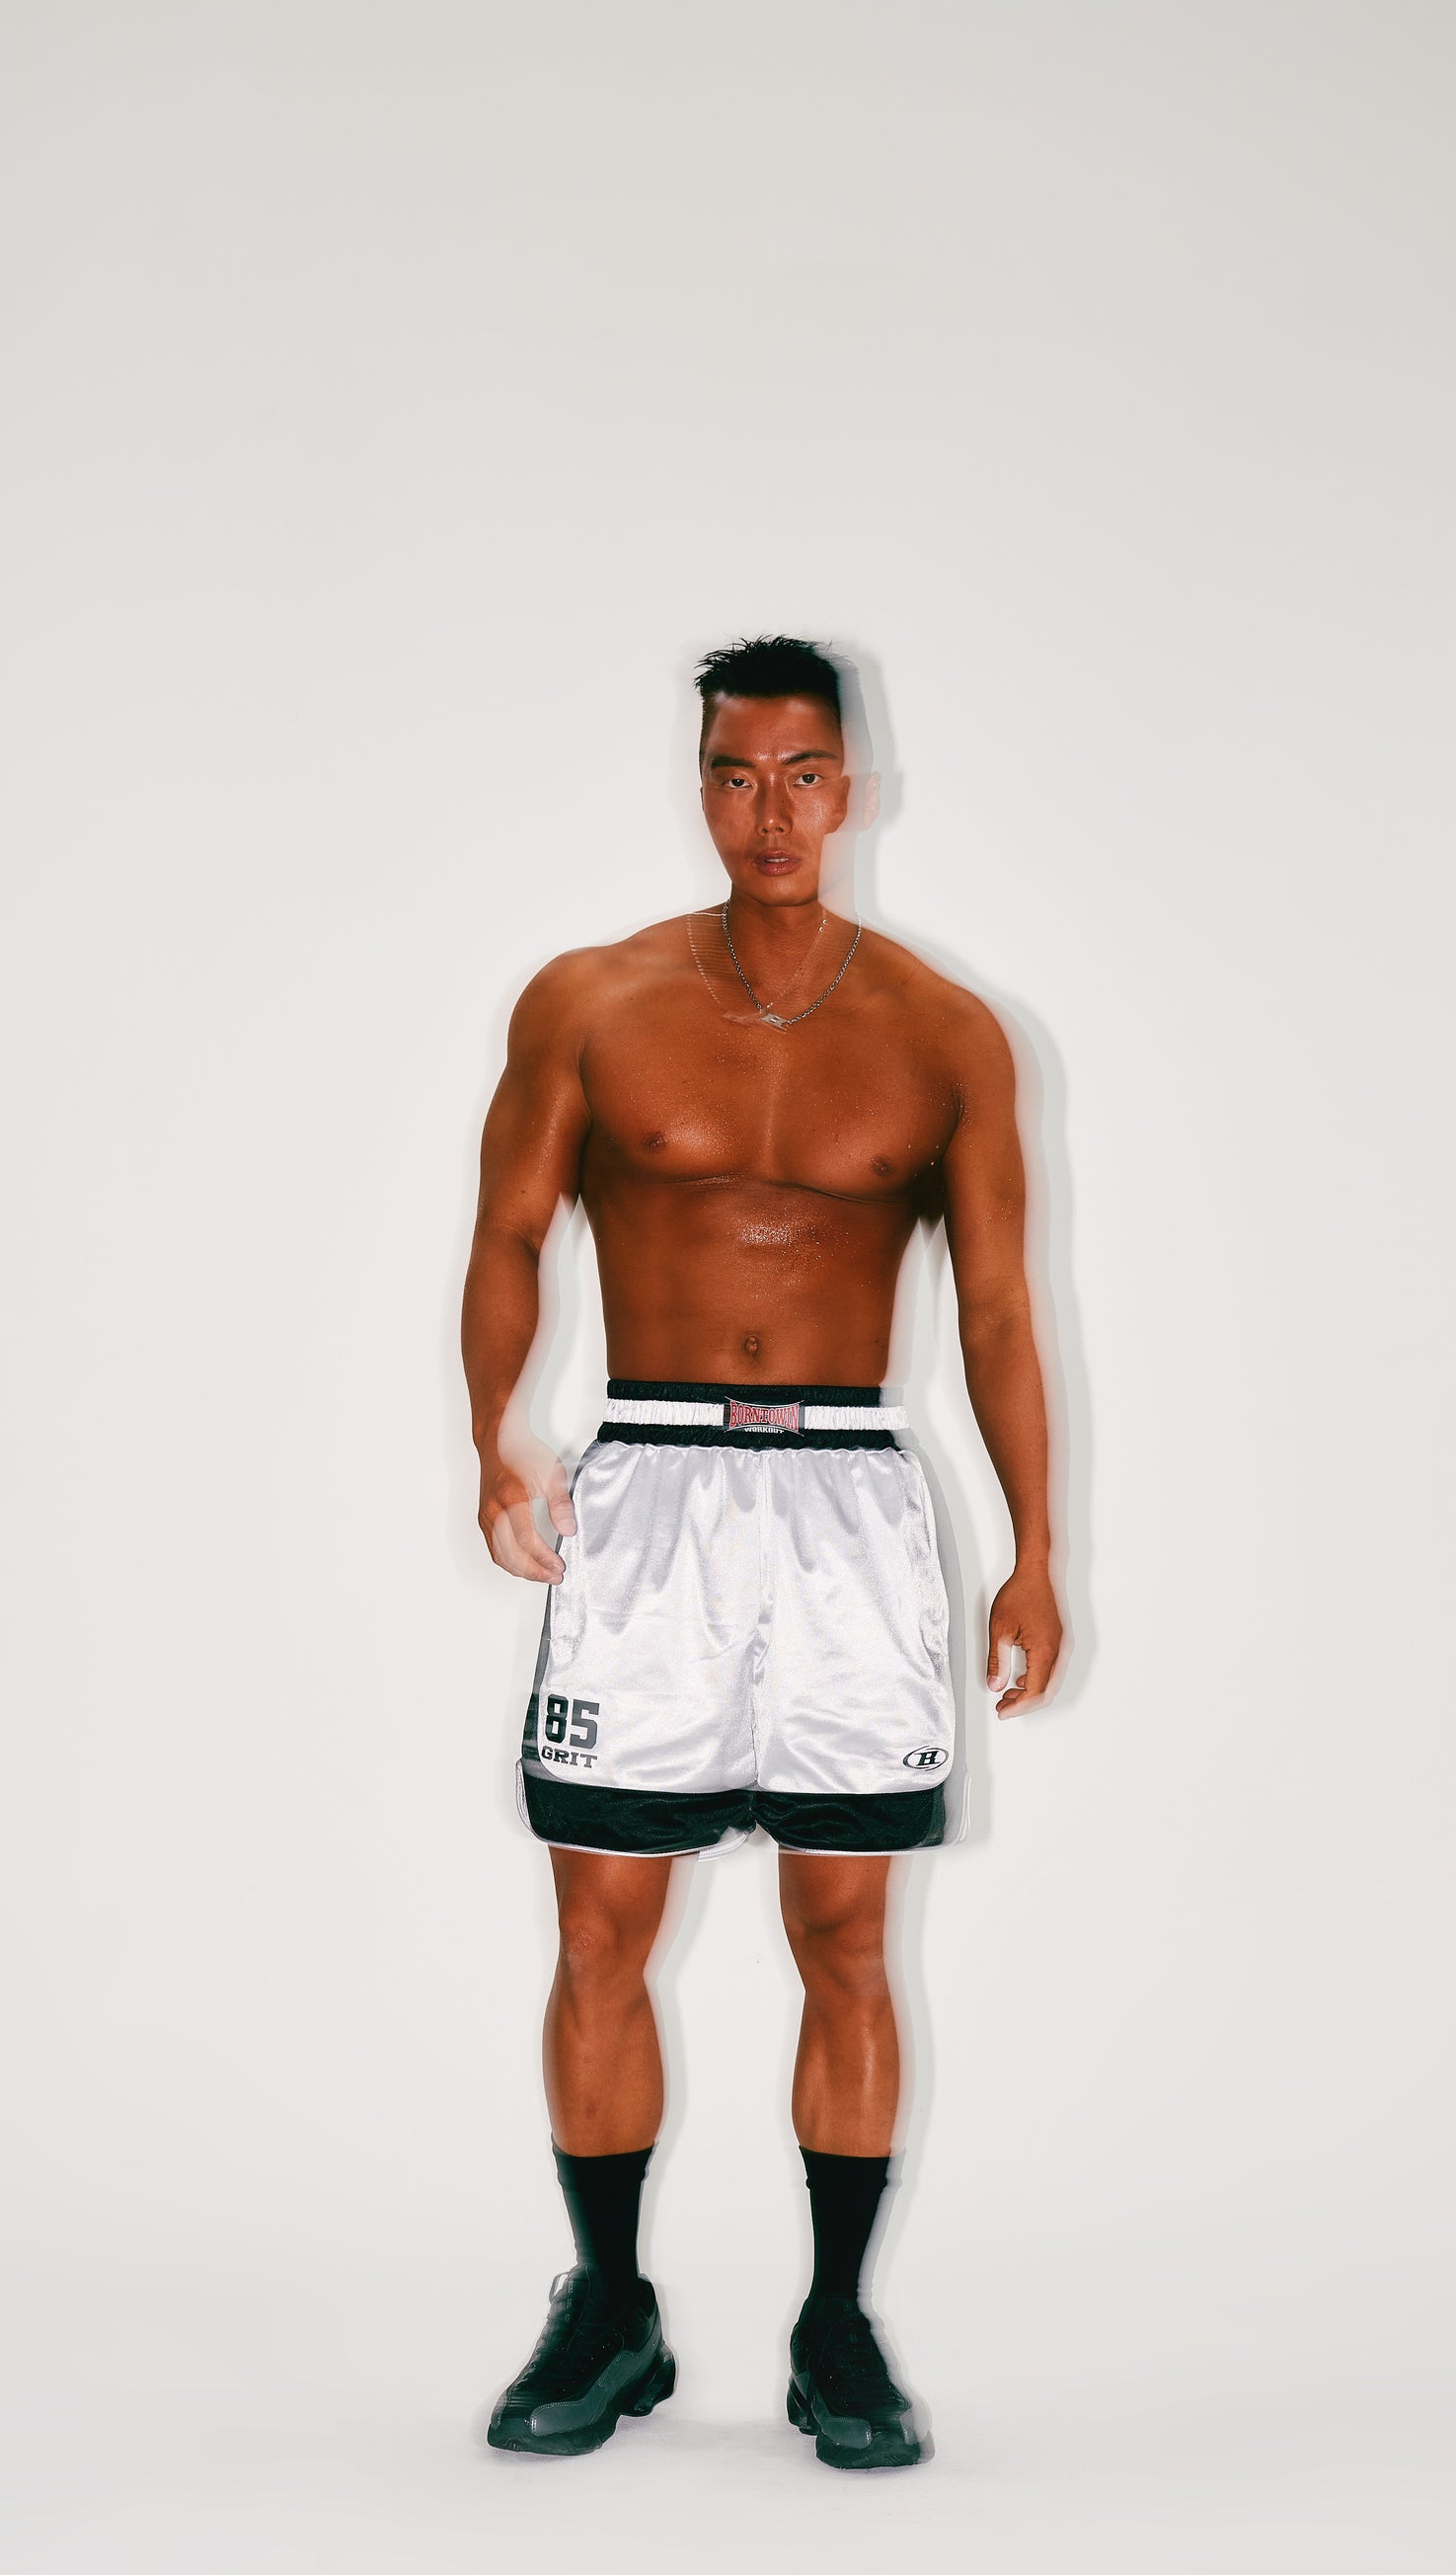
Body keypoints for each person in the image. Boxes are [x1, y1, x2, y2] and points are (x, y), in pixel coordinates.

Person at [462, 636, 1062, 2468]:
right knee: (599, 1925)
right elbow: (506, 1234)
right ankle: (608, 2301)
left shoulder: (945, 1032)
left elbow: (999, 1311)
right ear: (701, 786)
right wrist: (492, 1433)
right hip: (647, 1485)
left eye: (801, 774)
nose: (769, 811)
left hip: (849, 1501)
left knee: (847, 1932)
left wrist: (1035, 1548)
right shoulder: (590, 999)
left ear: (853, 786)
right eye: (735, 775)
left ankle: (833, 2326)